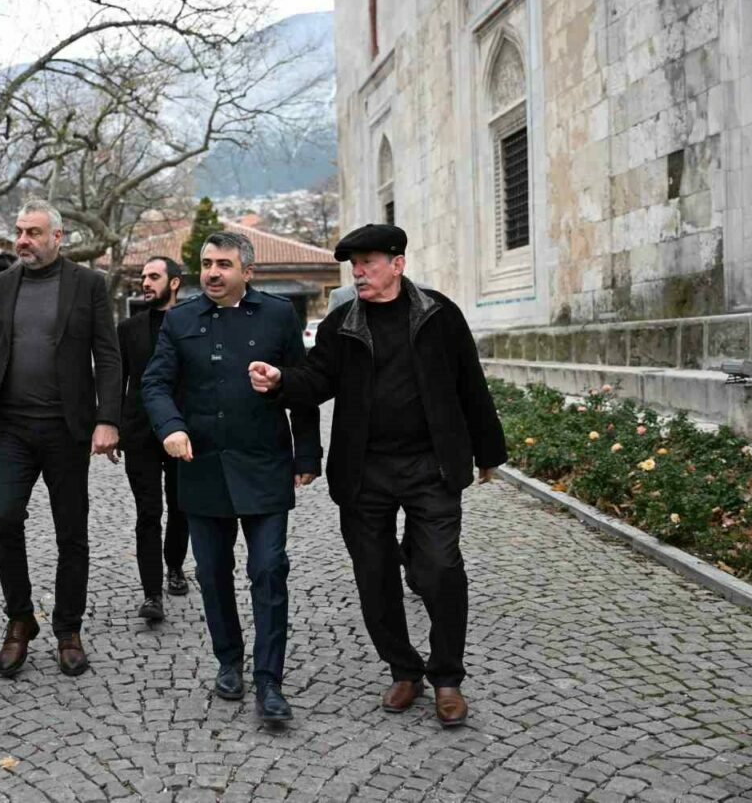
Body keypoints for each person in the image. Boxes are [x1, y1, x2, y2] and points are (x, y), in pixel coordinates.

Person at [248, 223, 507, 728]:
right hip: (364, 470)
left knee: (440, 568)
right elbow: (316, 379)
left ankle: (447, 677)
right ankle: (404, 669)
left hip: (430, 466)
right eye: (354, 265)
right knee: (374, 574)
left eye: (368, 263)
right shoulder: (342, 323)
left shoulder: (439, 315)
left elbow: (470, 384)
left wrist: (487, 451)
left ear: (398, 264)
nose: (359, 273)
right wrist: (281, 382)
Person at [142, 230, 321, 724]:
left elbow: (303, 385)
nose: (213, 273)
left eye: (223, 264)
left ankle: (270, 681)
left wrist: (307, 453)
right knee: (212, 573)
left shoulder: (279, 315)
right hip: (202, 466)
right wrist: (170, 427)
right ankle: (228, 661)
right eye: (206, 264)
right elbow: (155, 383)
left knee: (269, 569)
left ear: (248, 271)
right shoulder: (180, 320)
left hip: (264, 464)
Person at [0, 199, 122, 679]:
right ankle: (20, 618)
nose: (22, 240)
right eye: (19, 231)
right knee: (4, 519)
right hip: (12, 428)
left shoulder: (88, 284)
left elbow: (108, 356)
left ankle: (68, 628)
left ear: (58, 236)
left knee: (71, 532)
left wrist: (107, 419)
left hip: (66, 429)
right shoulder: (1, 285)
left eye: (33, 232)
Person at [116, 256, 190, 623]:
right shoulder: (128, 329)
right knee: (148, 512)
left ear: (174, 282)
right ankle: (151, 594)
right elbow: (118, 380)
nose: (145, 282)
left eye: (154, 276)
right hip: (139, 433)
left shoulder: (193, 322)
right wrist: (111, 425)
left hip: (182, 431)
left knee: (180, 506)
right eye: (143, 277)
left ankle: (174, 565)